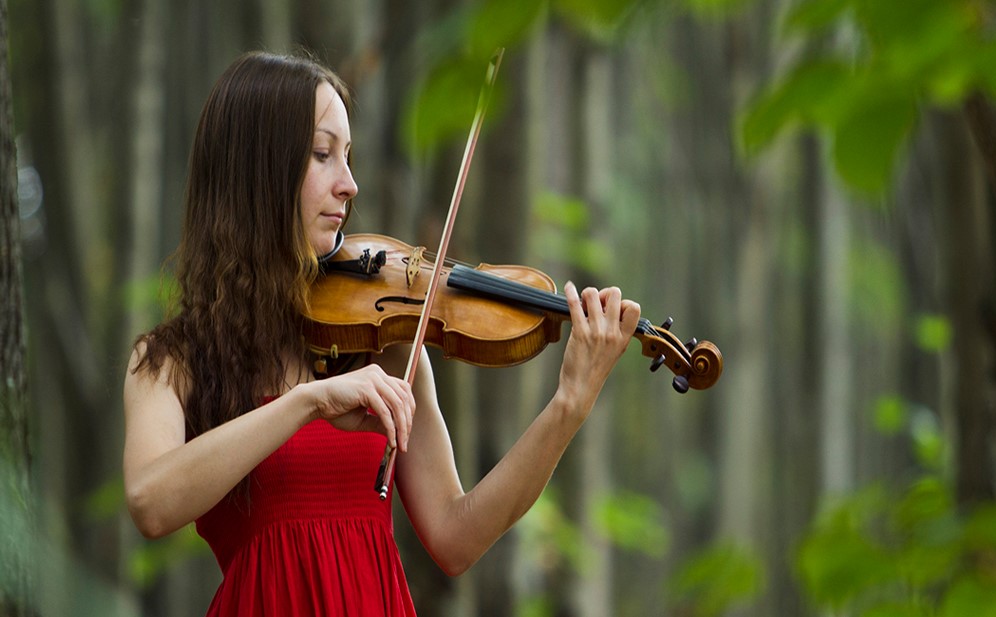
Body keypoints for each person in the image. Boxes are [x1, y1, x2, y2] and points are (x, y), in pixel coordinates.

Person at [123, 50, 641, 615]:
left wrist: (568, 405)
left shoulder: (385, 348)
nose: (349, 184)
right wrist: (307, 402)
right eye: (323, 155)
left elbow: (455, 537)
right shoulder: (174, 360)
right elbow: (151, 503)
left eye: (348, 157)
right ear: (258, 169)